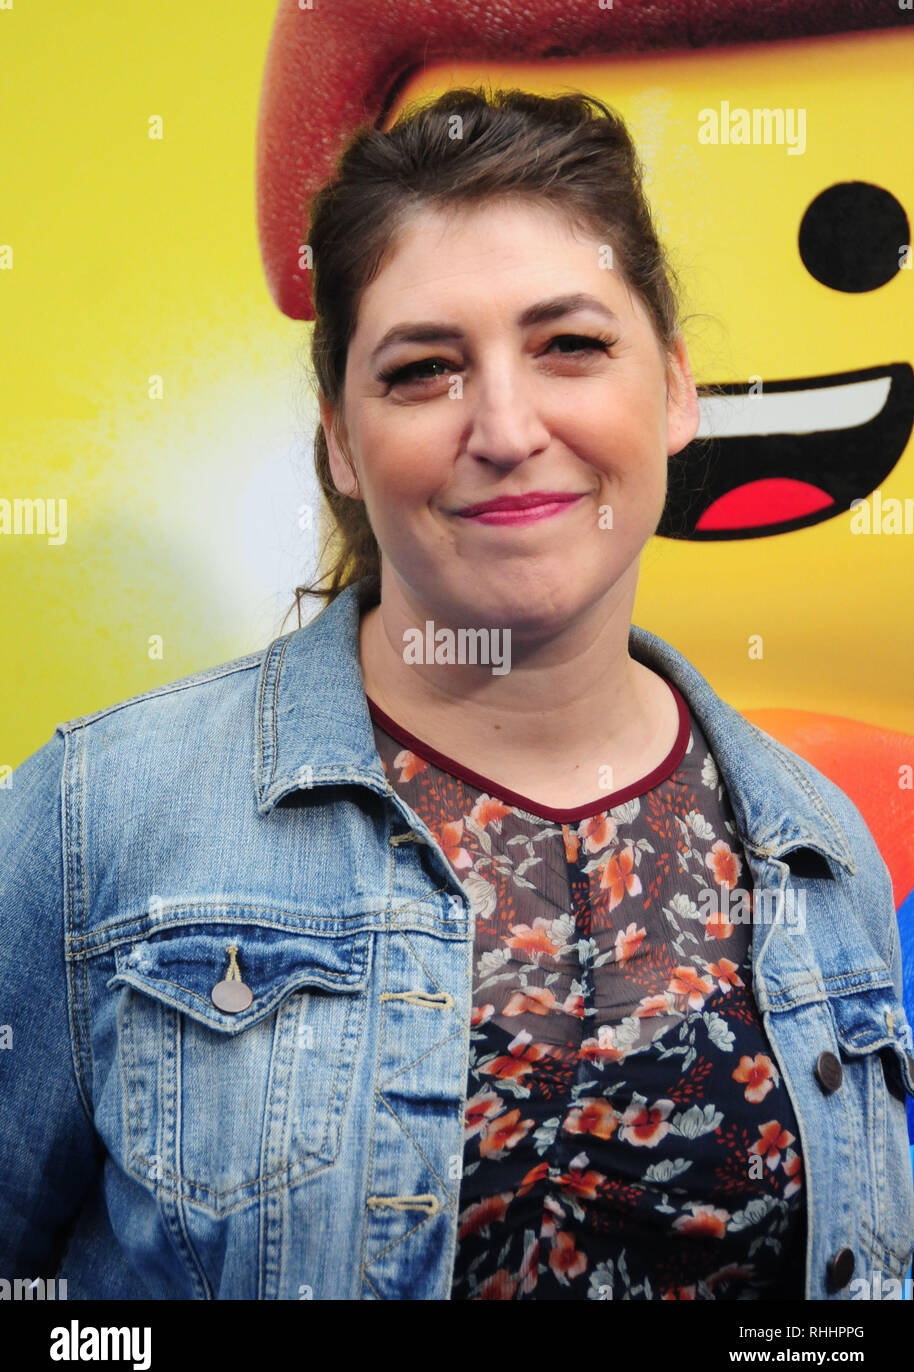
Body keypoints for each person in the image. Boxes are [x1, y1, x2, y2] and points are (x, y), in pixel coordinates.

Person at [1, 86, 913, 1302]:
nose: (503, 424)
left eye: (569, 345)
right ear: (337, 435)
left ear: (677, 388)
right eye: (424, 369)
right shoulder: (96, 818)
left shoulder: (818, 851)